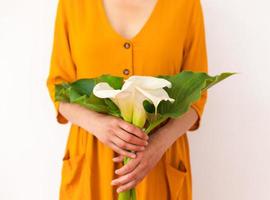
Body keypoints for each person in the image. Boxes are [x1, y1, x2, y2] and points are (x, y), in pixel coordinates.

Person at [46, 0, 208, 199]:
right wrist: (97, 124)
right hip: (92, 162)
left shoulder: (185, 5)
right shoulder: (72, 5)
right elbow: (59, 87)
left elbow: (197, 95)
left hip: (159, 163)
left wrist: (157, 145)